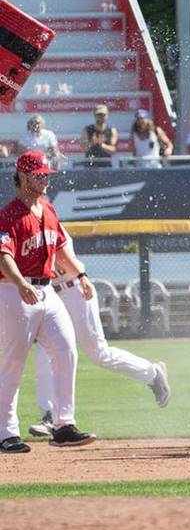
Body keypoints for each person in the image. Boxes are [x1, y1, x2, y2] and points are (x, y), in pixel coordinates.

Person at [27, 225, 171, 438]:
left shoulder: (49, 223)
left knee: (98, 353)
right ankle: (49, 416)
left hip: (74, 290)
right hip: (50, 294)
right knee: (45, 351)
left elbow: (56, 257)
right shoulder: (21, 227)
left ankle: (152, 373)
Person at [1, 152, 97, 453]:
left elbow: (59, 249)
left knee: (66, 351)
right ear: (23, 177)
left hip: (47, 291)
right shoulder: (9, 215)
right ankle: (5, 432)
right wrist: (20, 283)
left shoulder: (48, 209)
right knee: (13, 362)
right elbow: (3, 256)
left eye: (46, 174)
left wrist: (80, 274)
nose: (45, 179)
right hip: (13, 292)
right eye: (39, 174)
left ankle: (63, 425)